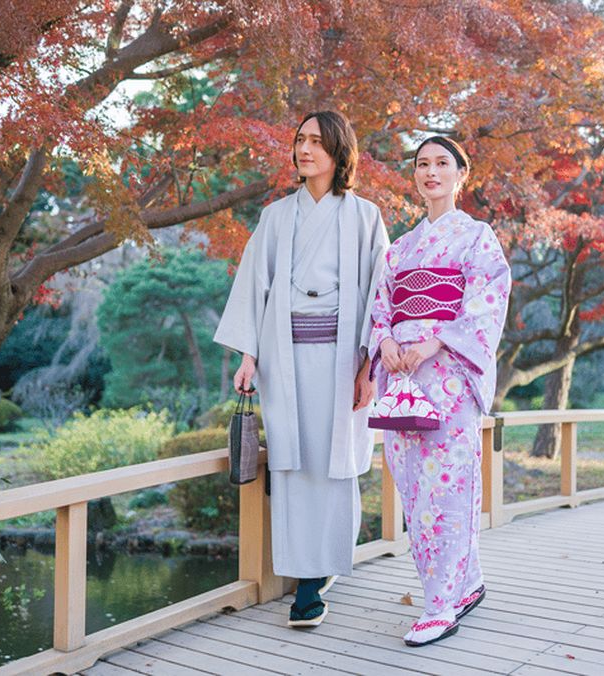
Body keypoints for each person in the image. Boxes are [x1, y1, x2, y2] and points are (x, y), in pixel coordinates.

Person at [214, 111, 389, 627]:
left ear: (339, 152)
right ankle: (303, 572)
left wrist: (369, 368)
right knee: (292, 464)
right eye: (299, 140)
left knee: (332, 463)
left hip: (342, 359)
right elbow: (254, 287)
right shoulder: (275, 217)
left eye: (316, 141)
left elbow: (380, 296)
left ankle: (317, 576)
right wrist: (248, 356)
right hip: (285, 358)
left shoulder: (366, 216)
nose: (304, 149)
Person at [369, 136, 511, 646]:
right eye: (422, 164)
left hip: (448, 375)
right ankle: (466, 583)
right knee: (413, 489)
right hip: (404, 378)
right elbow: (381, 305)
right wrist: (386, 342)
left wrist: (435, 342)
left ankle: (439, 605)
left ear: (460, 175)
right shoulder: (401, 248)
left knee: (447, 489)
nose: (431, 172)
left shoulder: (476, 237)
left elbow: (487, 301)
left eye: (442, 163)